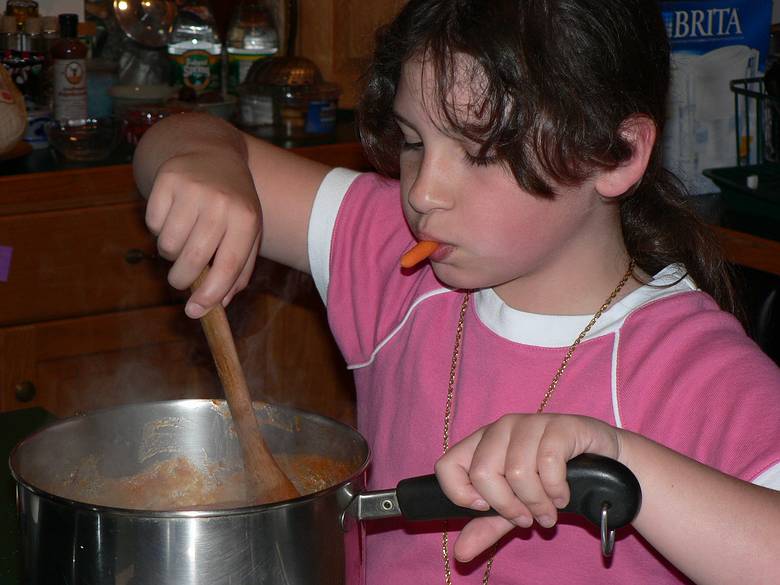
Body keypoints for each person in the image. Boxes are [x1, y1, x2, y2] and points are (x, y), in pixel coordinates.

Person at [133, 0, 780, 582]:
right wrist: (204, 162)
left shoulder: (689, 369)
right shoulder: (391, 257)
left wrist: (621, 458)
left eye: (479, 150)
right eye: (414, 141)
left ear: (615, 154)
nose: (423, 192)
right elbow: (177, 134)